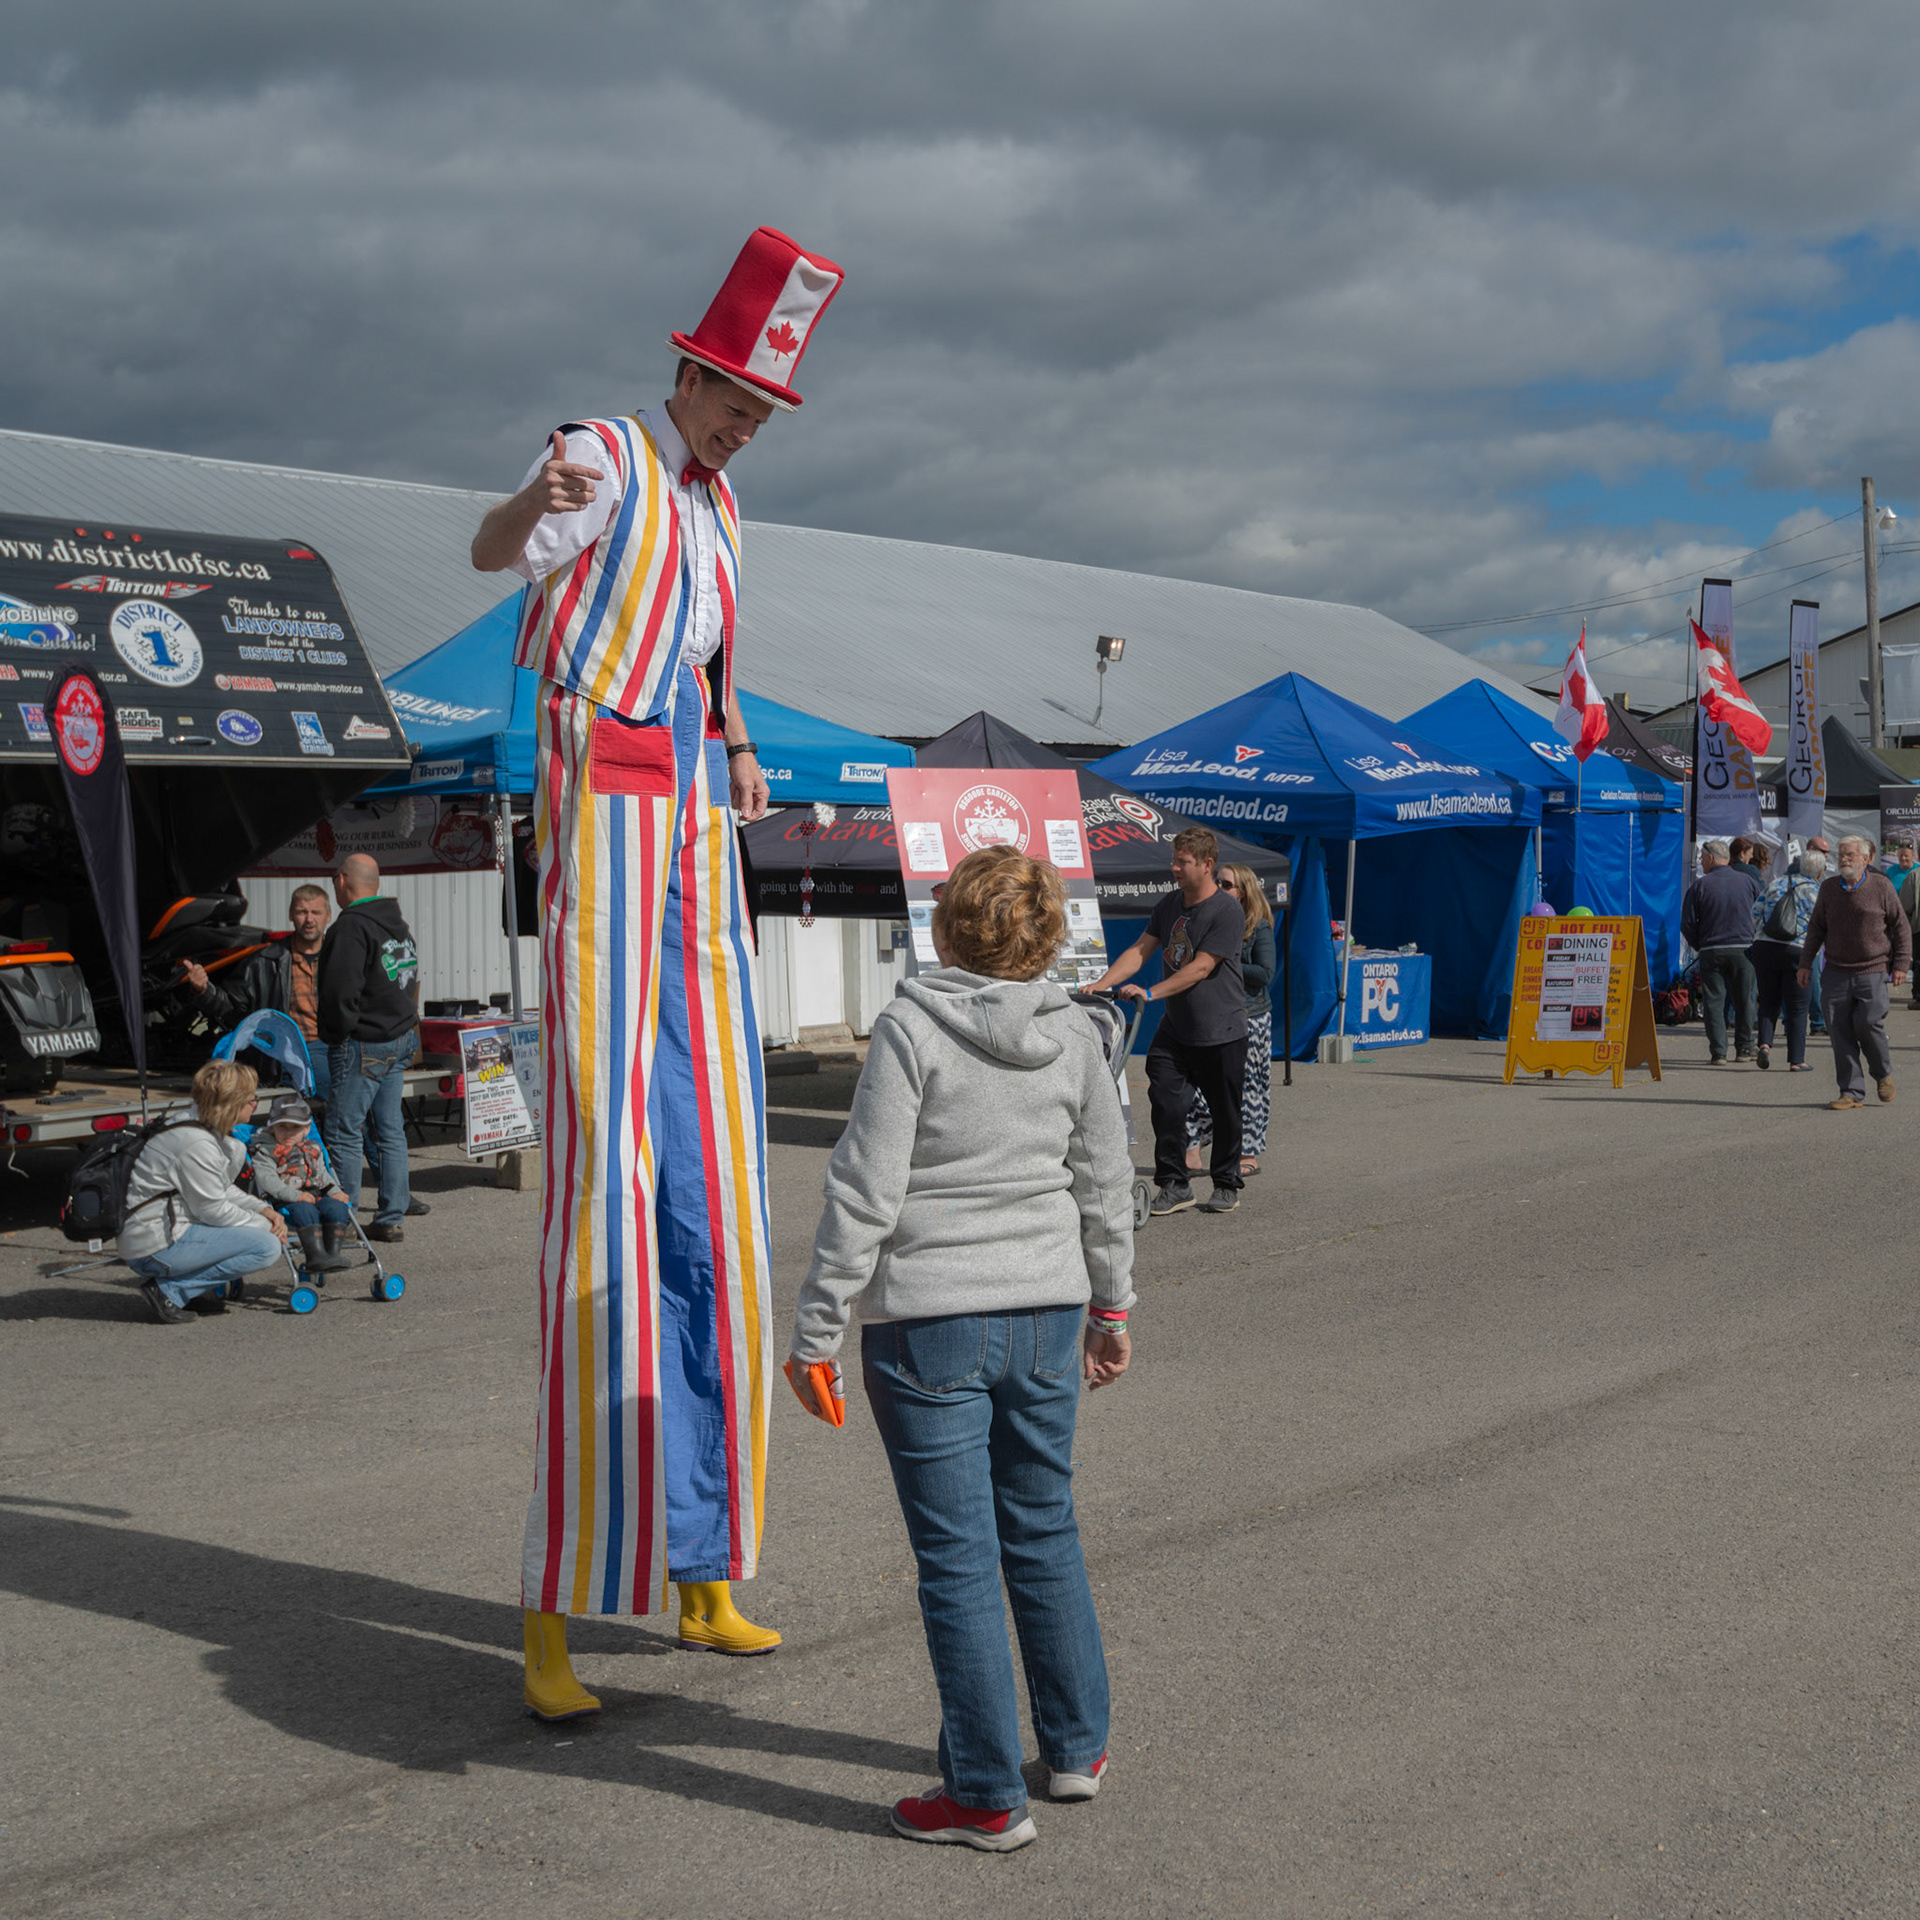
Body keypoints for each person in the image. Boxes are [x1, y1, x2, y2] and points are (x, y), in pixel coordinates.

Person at [469, 226, 845, 1714]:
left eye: (763, 408)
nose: (746, 421)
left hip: (691, 794)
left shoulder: (727, 504)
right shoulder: (603, 454)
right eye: (734, 395)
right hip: (603, 784)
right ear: (687, 369)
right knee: (608, 1195)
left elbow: (713, 656)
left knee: (719, 1197)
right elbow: (499, 554)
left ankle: (701, 1570)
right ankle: (555, 1603)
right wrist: (527, 498)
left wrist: (742, 742)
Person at [788, 846, 1135, 1852]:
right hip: (1048, 1312)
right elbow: (1105, 1183)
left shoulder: (910, 1025)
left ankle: (984, 1793)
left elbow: (865, 1189)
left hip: (929, 1321)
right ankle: (1075, 1748)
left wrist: (816, 1329)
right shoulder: (1079, 1031)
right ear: (1045, 935)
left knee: (958, 1562)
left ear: (948, 927)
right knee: (1044, 1528)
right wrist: (1112, 1309)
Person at [1090, 827, 1247, 1216]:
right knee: (1165, 1101)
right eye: (1174, 860)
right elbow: (1142, 949)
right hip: (1177, 1031)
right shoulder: (1169, 904)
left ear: (1207, 865)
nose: (1173, 867)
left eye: (1182, 862)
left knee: (1225, 1111)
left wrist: (1151, 993)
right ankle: (1175, 1184)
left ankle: (1226, 1182)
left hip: (1221, 1031)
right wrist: (1102, 984)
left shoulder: (1226, 910)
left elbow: (1202, 967)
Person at [119, 1060, 289, 1324]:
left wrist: (262, 1209)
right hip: (153, 1245)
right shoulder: (196, 1143)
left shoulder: (193, 1126)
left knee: (259, 1232)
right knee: (266, 1246)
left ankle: (186, 1289)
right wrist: (266, 1226)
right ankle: (170, 1291)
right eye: (250, 1098)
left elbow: (219, 1189)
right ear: (231, 1103)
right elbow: (213, 1211)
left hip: (154, 1235)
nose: (255, 1103)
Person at [317, 854, 419, 1244]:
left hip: (364, 1042)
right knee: (390, 1130)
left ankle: (342, 1222)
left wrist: (335, 1034)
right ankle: (391, 1216)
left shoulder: (351, 927)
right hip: (398, 1037)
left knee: (343, 1131)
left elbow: (339, 991)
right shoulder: (397, 925)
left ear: (342, 880)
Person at [1797, 835, 1911, 1110]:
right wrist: (1804, 963)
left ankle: (1882, 1074)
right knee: (1839, 1031)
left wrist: (1901, 965)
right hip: (1836, 971)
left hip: (1872, 970)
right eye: (1841, 854)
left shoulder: (1881, 886)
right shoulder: (1828, 889)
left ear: (1866, 859)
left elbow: (1900, 927)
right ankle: (1851, 1091)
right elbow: (1816, 929)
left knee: (1868, 1023)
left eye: (1850, 854)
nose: (1844, 859)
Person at [1183, 865, 1277, 1177]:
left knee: (1246, 1087)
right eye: (1217, 882)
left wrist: (1226, 960)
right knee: (1189, 1085)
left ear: (1243, 892)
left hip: (1249, 1017)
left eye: (1227, 884)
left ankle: (1247, 1152)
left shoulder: (1258, 927)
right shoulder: (1206, 921)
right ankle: (1194, 1148)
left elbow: (1265, 974)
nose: (1219, 888)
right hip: (1210, 1015)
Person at [248, 1093, 354, 1275]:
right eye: (282, 1127)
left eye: (295, 1128)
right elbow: (268, 1182)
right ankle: (316, 1256)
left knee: (337, 1207)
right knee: (306, 1210)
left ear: (306, 1129)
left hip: (316, 1193)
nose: (289, 1132)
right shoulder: (265, 1152)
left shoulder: (313, 1148)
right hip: (287, 1198)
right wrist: (297, 1196)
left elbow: (322, 1175)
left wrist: (335, 1191)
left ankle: (332, 1254)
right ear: (272, 1128)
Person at [1681, 840, 1758, 1064]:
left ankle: (1719, 1052)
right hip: (1744, 949)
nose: (1701, 863)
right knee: (1744, 1000)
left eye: (1703, 858)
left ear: (1712, 858)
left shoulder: (1700, 886)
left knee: (1714, 1001)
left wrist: (1700, 944)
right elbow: (1762, 912)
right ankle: (1744, 1048)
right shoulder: (1748, 882)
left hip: (1711, 949)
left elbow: (1687, 922)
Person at [1751, 850, 1823, 1071]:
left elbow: (1755, 912)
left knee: (1768, 1001)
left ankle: (1764, 1045)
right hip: (1798, 950)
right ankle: (1796, 1060)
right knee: (1798, 1007)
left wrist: (1764, 934)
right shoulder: (1817, 890)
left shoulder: (1776, 883)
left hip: (1766, 947)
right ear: (1819, 872)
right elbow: (1824, 924)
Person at [1727, 835, 1766, 904]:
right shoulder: (1751, 870)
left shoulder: (1726, 869)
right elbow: (1763, 892)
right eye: (1750, 853)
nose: (1752, 856)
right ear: (1742, 854)